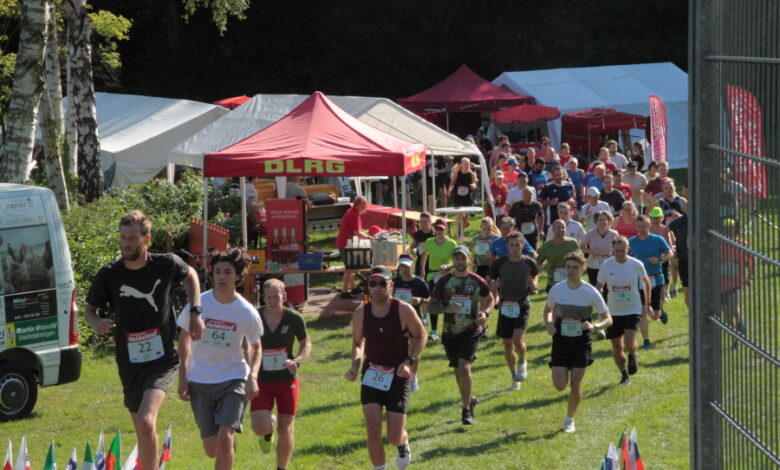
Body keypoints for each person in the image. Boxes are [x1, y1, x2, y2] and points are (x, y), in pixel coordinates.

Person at [85, 211, 203, 470]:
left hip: (161, 359)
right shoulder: (109, 274)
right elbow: (89, 310)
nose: (126, 243)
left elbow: (191, 275)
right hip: (129, 362)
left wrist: (195, 311)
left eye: (132, 238)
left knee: (146, 422)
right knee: (142, 429)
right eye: (123, 237)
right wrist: (97, 324)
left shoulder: (166, 263)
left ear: (146, 239)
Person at [177, 249, 263, 470]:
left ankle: (230, 434)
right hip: (200, 379)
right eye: (218, 272)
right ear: (211, 275)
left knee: (225, 438)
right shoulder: (199, 305)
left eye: (227, 272)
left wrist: (252, 376)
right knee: (212, 449)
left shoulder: (246, 312)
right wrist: (183, 376)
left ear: (237, 276)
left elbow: (255, 347)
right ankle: (231, 440)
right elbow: (184, 339)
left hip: (233, 378)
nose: (222, 277)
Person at [345, 266, 426, 470]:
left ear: (391, 285)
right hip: (372, 374)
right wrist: (355, 365)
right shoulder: (361, 314)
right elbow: (357, 343)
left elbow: (421, 336)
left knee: (393, 436)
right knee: (372, 430)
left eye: (382, 283)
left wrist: (409, 360)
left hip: (398, 375)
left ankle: (402, 443)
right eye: (373, 283)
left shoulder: (403, 310)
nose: (377, 288)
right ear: (368, 287)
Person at [542, 252, 612, 433]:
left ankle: (569, 419)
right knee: (559, 385)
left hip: (582, 341)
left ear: (582, 269)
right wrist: (549, 323)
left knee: (576, 383)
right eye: (568, 267)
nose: (571, 271)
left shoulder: (590, 291)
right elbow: (547, 309)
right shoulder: (557, 289)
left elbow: (608, 318)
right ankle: (569, 414)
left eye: (575, 268)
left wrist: (594, 325)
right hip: (561, 340)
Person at [427, 246, 494, 425]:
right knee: (458, 370)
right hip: (450, 331)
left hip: (471, 329)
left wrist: (485, 313)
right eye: (457, 259)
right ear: (453, 261)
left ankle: (466, 410)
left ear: (469, 260)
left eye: (463, 259)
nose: (460, 262)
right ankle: (469, 398)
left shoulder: (477, 280)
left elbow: (490, 299)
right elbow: (430, 307)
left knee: (464, 367)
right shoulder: (444, 282)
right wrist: (446, 308)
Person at [251, 279, 311, 469]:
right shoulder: (254, 316)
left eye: (276, 297)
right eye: (268, 297)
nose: (272, 301)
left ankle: (281, 467)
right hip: (262, 380)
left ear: (284, 296)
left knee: (286, 429)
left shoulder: (294, 318)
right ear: (263, 297)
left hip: (287, 380)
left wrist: (297, 361)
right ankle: (269, 428)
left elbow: (306, 344)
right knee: (259, 427)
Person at [596, 237, 651, 385]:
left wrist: (647, 303)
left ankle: (633, 354)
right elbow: (599, 285)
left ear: (628, 249)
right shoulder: (607, 265)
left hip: (633, 307)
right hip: (613, 311)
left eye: (623, 250)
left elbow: (646, 282)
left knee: (628, 341)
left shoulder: (636, 264)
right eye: (617, 251)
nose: (620, 253)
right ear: (613, 250)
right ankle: (624, 374)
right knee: (616, 346)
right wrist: (599, 300)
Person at [488, 233, 538, 391]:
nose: (515, 248)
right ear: (507, 246)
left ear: (522, 246)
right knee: (508, 344)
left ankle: (523, 360)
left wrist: (534, 284)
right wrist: (493, 289)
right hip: (505, 305)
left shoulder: (529, 263)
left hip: (522, 304)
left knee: (518, 340)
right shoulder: (500, 263)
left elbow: (535, 275)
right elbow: (489, 281)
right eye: (512, 245)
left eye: (518, 245)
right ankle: (514, 376)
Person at [629, 215, 673, 350]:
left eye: (644, 226)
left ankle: (661, 311)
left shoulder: (658, 240)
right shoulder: (632, 242)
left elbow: (670, 253)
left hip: (656, 278)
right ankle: (646, 341)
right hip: (640, 280)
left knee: (655, 315)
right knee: (642, 312)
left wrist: (659, 260)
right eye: (639, 226)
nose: (641, 229)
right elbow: (626, 256)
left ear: (649, 226)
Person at [392, 254, 430, 392]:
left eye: (407, 266)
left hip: (414, 319)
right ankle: (400, 376)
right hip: (398, 320)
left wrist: (419, 300)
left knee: (414, 350)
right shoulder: (394, 282)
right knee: (400, 350)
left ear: (412, 266)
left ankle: (413, 378)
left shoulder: (419, 282)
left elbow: (429, 299)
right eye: (402, 266)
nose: (404, 269)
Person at [420, 219, 457, 341]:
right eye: (437, 228)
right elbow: (424, 255)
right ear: (434, 229)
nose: (439, 231)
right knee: (433, 304)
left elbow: (456, 260)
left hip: (447, 276)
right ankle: (434, 331)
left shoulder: (452, 243)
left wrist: (448, 266)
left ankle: (450, 329)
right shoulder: (429, 242)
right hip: (432, 276)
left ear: (445, 229)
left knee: (448, 303)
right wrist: (422, 270)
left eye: (441, 229)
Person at [335, 196, 371, 298]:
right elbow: (357, 233)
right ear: (359, 205)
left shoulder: (353, 212)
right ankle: (344, 292)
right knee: (350, 267)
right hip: (345, 244)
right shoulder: (353, 214)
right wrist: (369, 238)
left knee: (351, 266)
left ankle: (354, 288)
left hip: (346, 243)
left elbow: (356, 232)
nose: (366, 207)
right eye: (365, 205)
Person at [536, 219, 581, 293]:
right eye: (558, 228)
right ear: (553, 230)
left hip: (571, 281)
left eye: (563, 227)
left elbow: (579, 260)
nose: (561, 230)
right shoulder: (546, 246)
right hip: (553, 283)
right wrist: (539, 269)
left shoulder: (573, 243)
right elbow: (539, 262)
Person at [581, 210, 619, 287]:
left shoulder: (614, 234)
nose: (602, 222)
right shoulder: (590, 233)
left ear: (608, 221)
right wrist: (590, 251)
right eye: (600, 220)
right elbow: (581, 247)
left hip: (609, 265)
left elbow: (617, 248)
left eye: (605, 220)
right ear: (596, 222)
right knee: (594, 288)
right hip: (593, 266)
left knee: (608, 288)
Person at [648, 207, 676, 304]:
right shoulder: (648, 229)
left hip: (663, 256)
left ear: (662, 218)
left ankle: (666, 292)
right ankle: (653, 294)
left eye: (657, 218)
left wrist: (666, 253)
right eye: (653, 218)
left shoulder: (665, 229)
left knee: (665, 274)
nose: (655, 220)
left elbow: (670, 243)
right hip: (651, 256)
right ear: (650, 218)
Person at [449, 157, 478, 240]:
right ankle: (459, 234)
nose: (466, 165)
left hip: (467, 197)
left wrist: (473, 185)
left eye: (468, 164)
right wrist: (449, 190)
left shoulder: (472, 174)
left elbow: (475, 184)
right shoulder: (457, 173)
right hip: (458, 197)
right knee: (459, 215)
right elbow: (452, 183)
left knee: (465, 216)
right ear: (461, 165)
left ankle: (461, 232)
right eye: (465, 163)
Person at [668, 212, 689, 309]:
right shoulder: (681, 221)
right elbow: (666, 230)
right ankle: (693, 317)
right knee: (688, 297)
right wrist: (670, 248)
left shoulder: (703, 220)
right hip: (684, 260)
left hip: (699, 261)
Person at [411, 212, 435, 279]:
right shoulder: (417, 234)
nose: (422, 224)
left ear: (430, 222)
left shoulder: (434, 234)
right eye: (421, 222)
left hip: (432, 262)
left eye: (425, 222)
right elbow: (413, 246)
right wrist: (412, 250)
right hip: (420, 262)